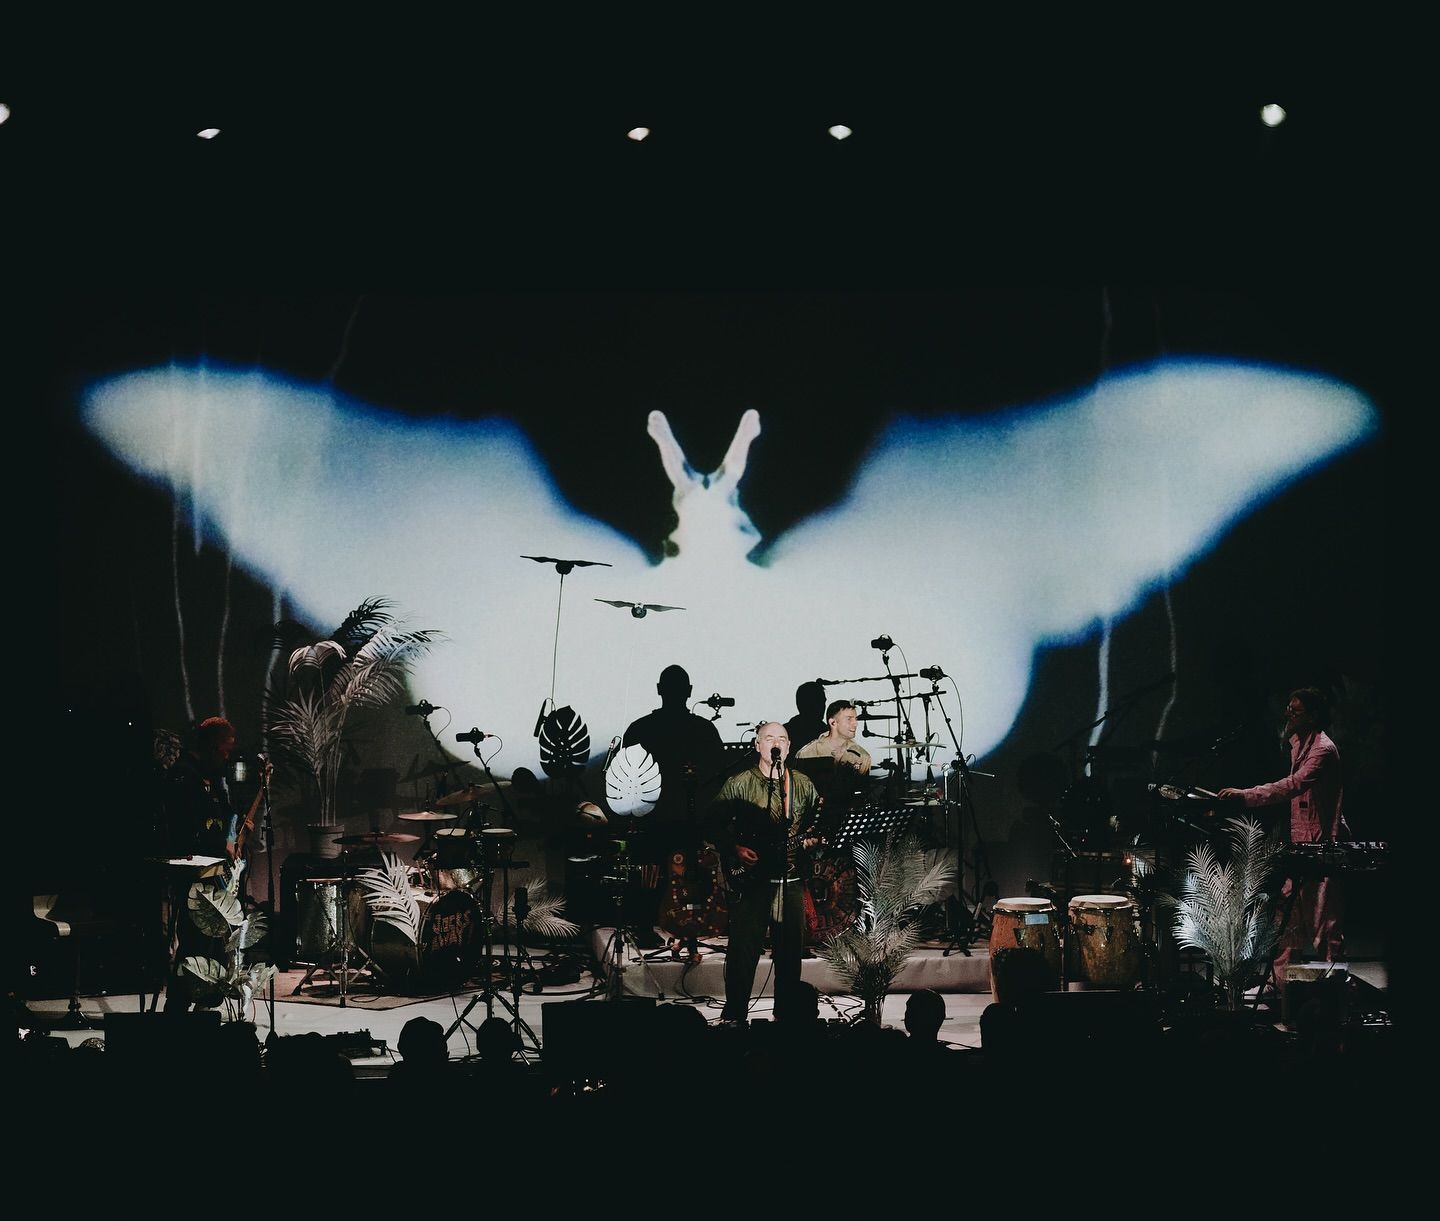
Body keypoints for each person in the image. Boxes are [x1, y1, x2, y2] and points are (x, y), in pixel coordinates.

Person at [1218, 686, 1347, 991]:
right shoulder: (1297, 743)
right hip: (1303, 842)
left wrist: (1246, 795)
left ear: (1313, 716)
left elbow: (1294, 785)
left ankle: (1338, 990)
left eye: (1296, 710)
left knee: (1325, 920)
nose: (1288, 714)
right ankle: (1280, 985)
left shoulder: (1323, 749)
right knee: (1287, 917)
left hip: (1324, 843)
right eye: (1288, 708)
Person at [705, 722, 822, 1024]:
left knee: (789, 957)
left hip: (791, 879)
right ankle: (734, 1017)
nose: (776, 743)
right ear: (757, 745)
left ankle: (786, 1018)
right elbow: (712, 824)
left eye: (781, 739)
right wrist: (735, 849)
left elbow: (815, 827)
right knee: (743, 952)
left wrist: (812, 841)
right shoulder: (740, 782)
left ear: (789, 746)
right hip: (753, 881)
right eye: (769, 738)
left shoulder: (803, 784)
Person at [621, 665, 727, 943]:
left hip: (653, 818)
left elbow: (627, 777)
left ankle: (645, 929)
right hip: (689, 819)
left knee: (650, 876)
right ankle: (691, 929)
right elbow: (719, 776)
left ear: (659, 690)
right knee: (689, 877)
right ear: (689, 692)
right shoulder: (704, 729)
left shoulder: (640, 728)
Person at [782, 681, 827, 759]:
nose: (823, 706)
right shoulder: (829, 734)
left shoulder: (784, 732)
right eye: (818, 702)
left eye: (823, 702)